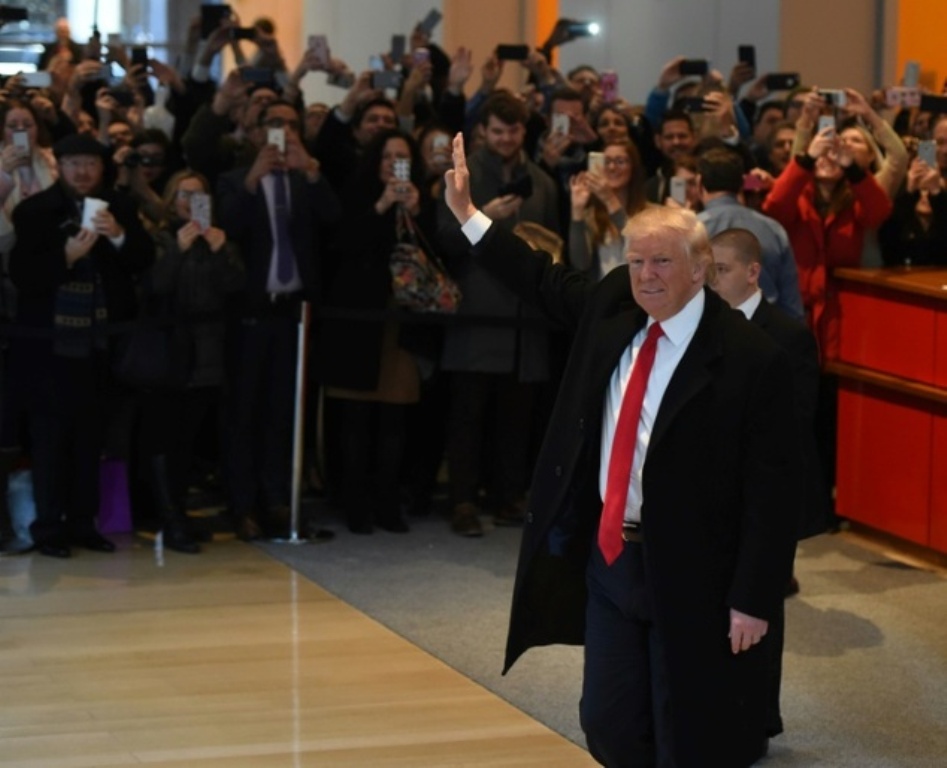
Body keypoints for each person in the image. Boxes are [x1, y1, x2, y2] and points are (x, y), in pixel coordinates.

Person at [443, 133, 801, 766]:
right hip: (610, 560)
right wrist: (469, 216)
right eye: (637, 262)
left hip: (693, 569)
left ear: (700, 268)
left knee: (680, 729)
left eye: (661, 263)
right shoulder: (614, 305)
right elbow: (541, 278)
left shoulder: (751, 362)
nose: (646, 276)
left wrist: (754, 596)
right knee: (606, 722)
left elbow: (772, 494)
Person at [9, 133, 155, 558]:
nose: (83, 172)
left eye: (90, 164)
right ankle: (49, 527)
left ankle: (83, 523)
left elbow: (142, 260)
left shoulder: (118, 206)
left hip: (100, 346)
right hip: (50, 348)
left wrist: (121, 236)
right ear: (60, 166)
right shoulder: (35, 211)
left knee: (92, 439)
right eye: (74, 164)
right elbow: (23, 275)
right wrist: (66, 258)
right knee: (51, 442)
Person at [709, 227, 828, 743]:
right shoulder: (703, 326)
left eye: (722, 270)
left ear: (753, 272)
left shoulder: (788, 334)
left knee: (759, 604)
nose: (711, 281)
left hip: (768, 496)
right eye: (706, 270)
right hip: (712, 495)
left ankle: (758, 718)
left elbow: (796, 426)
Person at [216, 99, 340, 541]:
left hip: (295, 314)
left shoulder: (307, 179)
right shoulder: (235, 181)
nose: (284, 132)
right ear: (256, 134)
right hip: (250, 314)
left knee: (285, 414)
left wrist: (310, 170)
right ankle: (243, 505)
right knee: (244, 411)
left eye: (291, 125)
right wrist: (252, 182)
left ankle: (279, 503)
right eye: (274, 124)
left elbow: (335, 222)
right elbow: (227, 228)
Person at [437, 91, 558, 538]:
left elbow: (555, 245)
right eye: (498, 131)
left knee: (516, 418)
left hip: (526, 318)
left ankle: (509, 496)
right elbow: (444, 240)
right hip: (476, 310)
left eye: (514, 130)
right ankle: (463, 501)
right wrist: (482, 214)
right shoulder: (461, 178)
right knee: (468, 417)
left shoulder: (542, 181)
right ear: (483, 132)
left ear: (524, 131)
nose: (507, 138)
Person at [318, 129, 436, 534]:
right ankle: (355, 504)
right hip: (358, 325)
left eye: (401, 158)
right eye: (387, 158)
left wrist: (417, 213)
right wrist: (383, 204)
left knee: (394, 421)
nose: (393, 165)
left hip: (400, 326)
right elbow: (344, 244)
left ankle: (388, 502)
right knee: (355, 419)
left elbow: (434, 255)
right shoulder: (357, 192)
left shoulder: (422, 200)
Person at [136, 170, 244, 553]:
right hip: (169, 350)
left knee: (190, 437)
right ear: (171, 198)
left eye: (198, 195)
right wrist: (177, 252)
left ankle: (180, 510)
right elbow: (153, 287)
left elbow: (235, 286)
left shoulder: (217, 238)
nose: (189, 201)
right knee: (165, 435)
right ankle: (170, 516)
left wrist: (219, 251)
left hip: (209, 351)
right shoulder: (161, 236)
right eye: (183, 194)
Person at [696, 147, 804, 319]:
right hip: (768, 333)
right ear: (742, 184)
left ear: (699, 183)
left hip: (707, 333)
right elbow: (791, 305)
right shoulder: (774, 229)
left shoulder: (689, 231)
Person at [569, 140, 649, 279]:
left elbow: (640, 245)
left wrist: (610, 199)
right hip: (603, 293)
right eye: (606, 161)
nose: (612, 167)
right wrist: (577, 210)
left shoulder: (651, 213)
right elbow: (580, 264)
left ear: (633, 167)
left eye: (620, 161)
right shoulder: (591, 215)